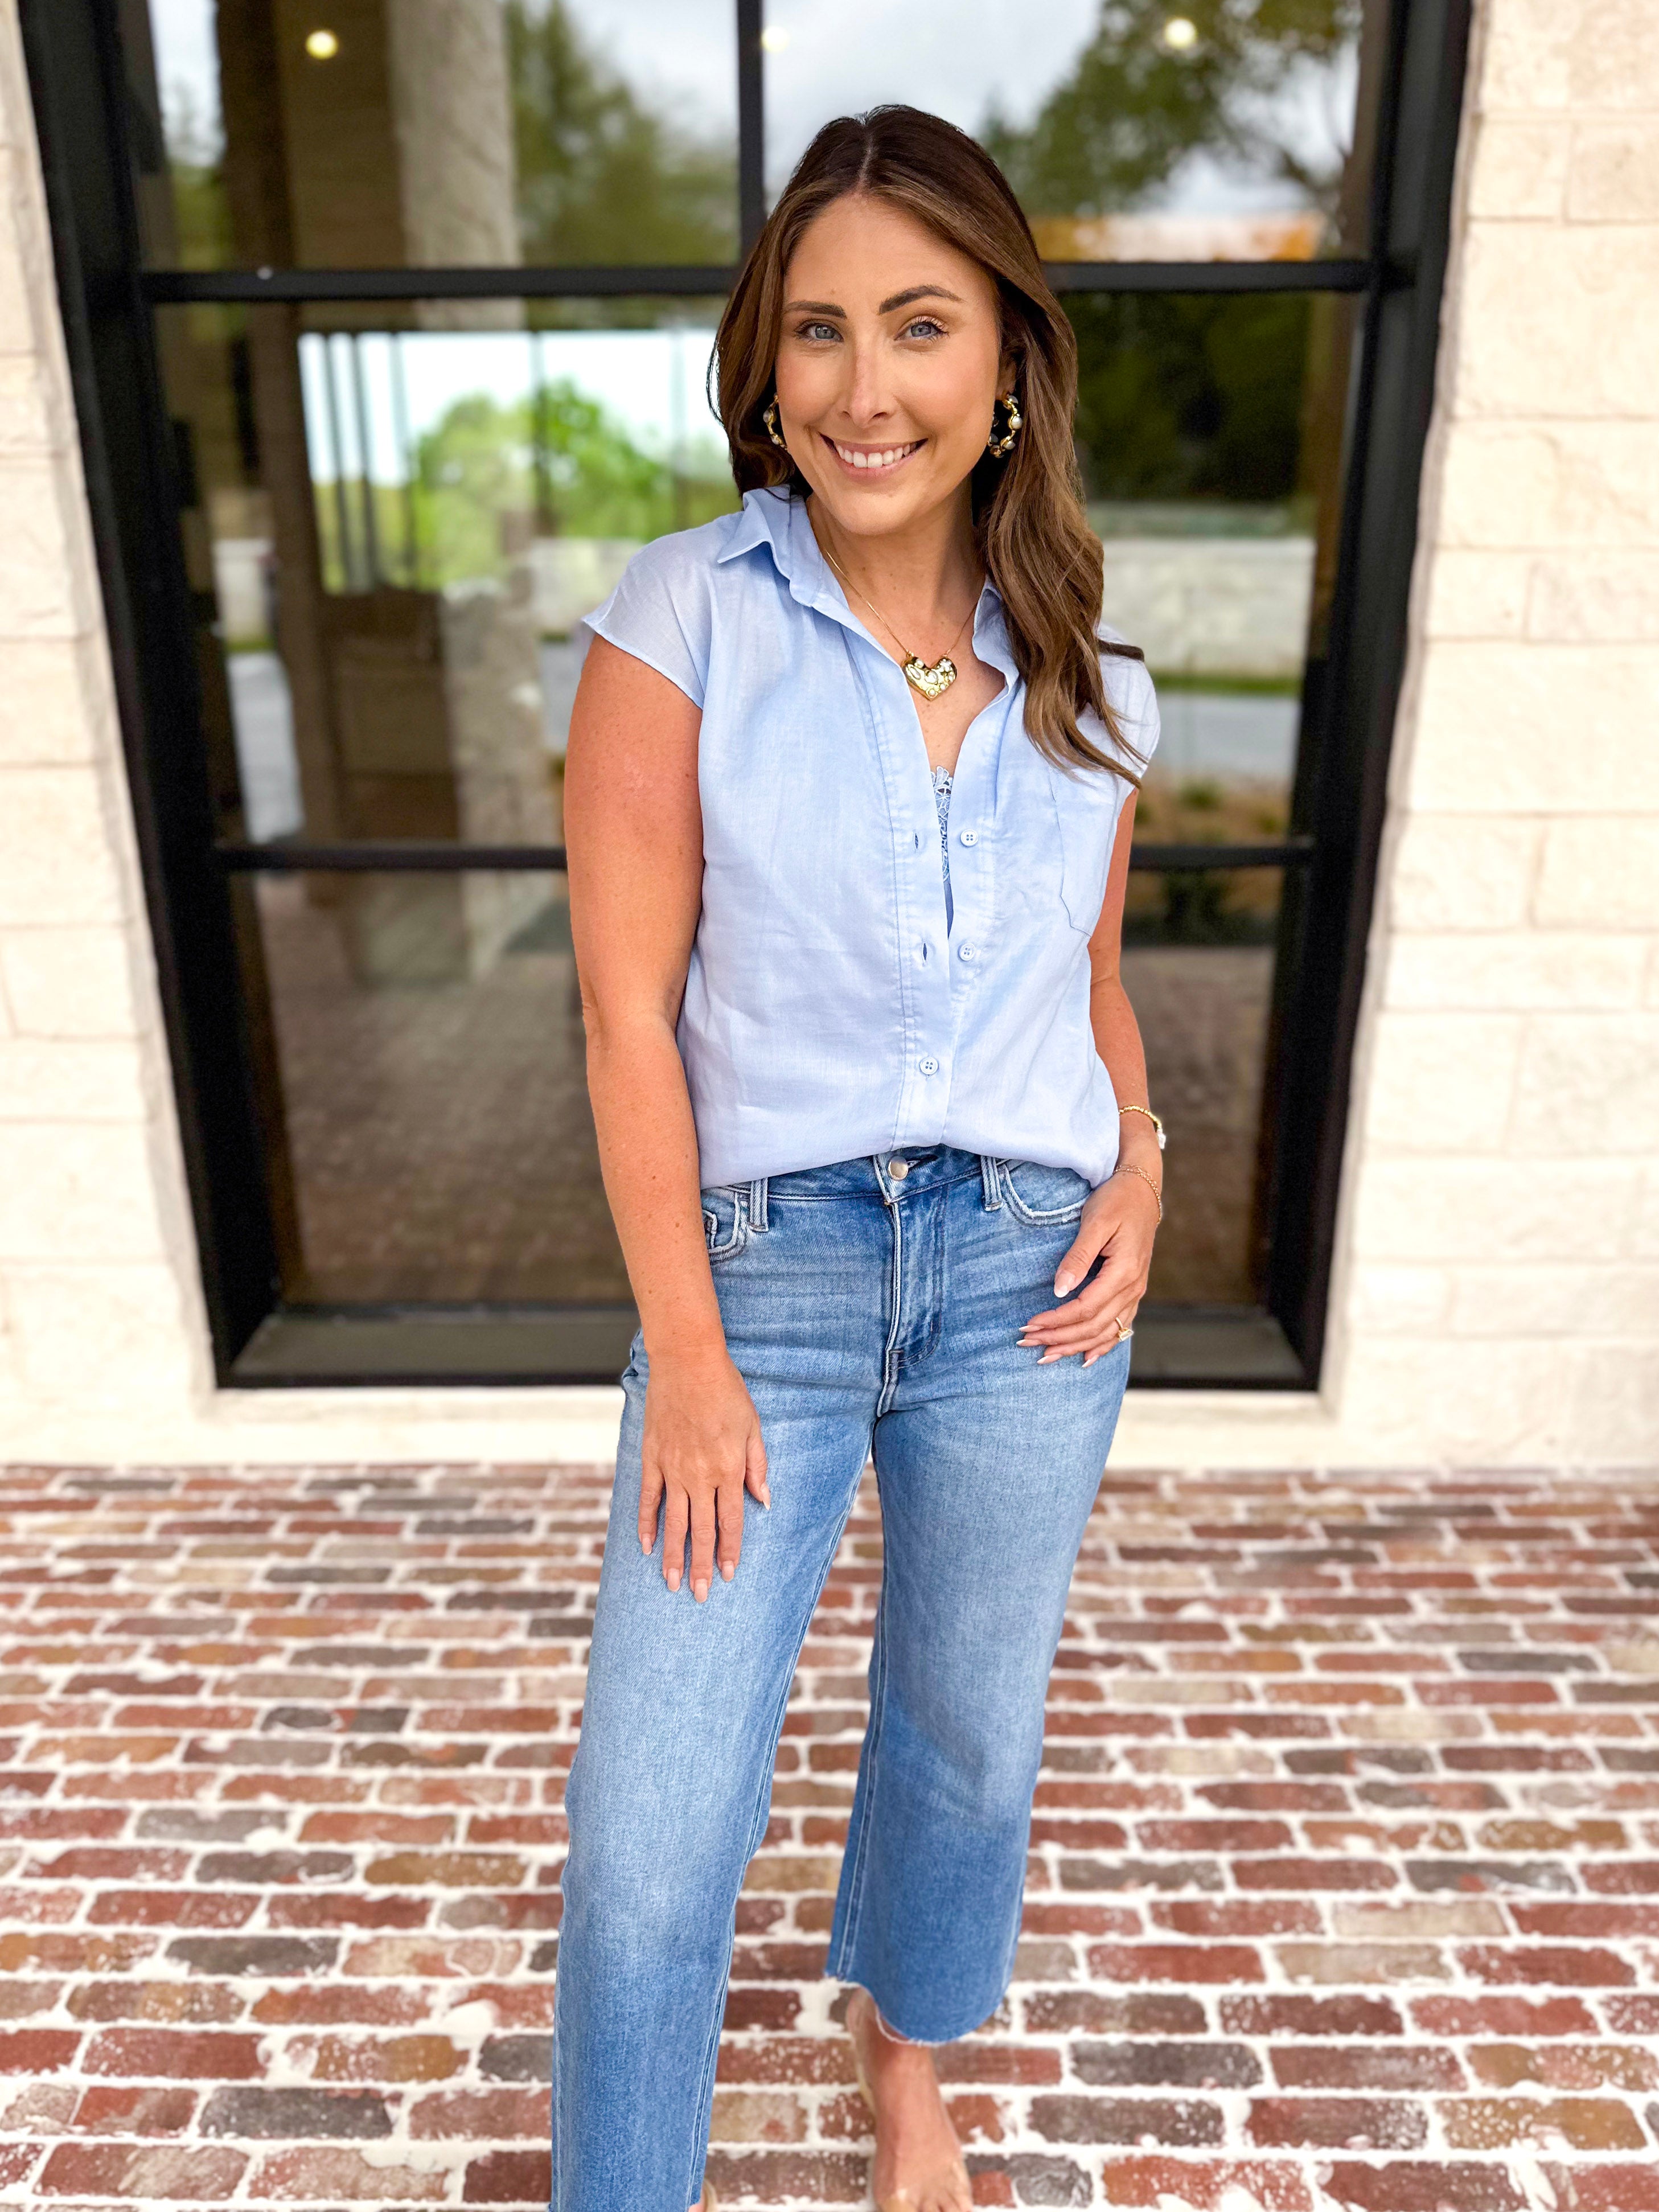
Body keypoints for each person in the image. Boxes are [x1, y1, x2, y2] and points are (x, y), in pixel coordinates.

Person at [557, 103, 1164, 2212]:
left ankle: (907, 2071)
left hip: (1029, 1281)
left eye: (917, 325)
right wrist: (688, 1353)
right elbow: (625, 1017)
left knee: (965, 1741)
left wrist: (1141, 1158)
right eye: (816, 331)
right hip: (763, 1281)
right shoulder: (682, 616)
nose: (861, 386)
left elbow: (1091, 981)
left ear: (1005, 366)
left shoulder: (1090, 669)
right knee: (650, 1834)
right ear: (766, 366)